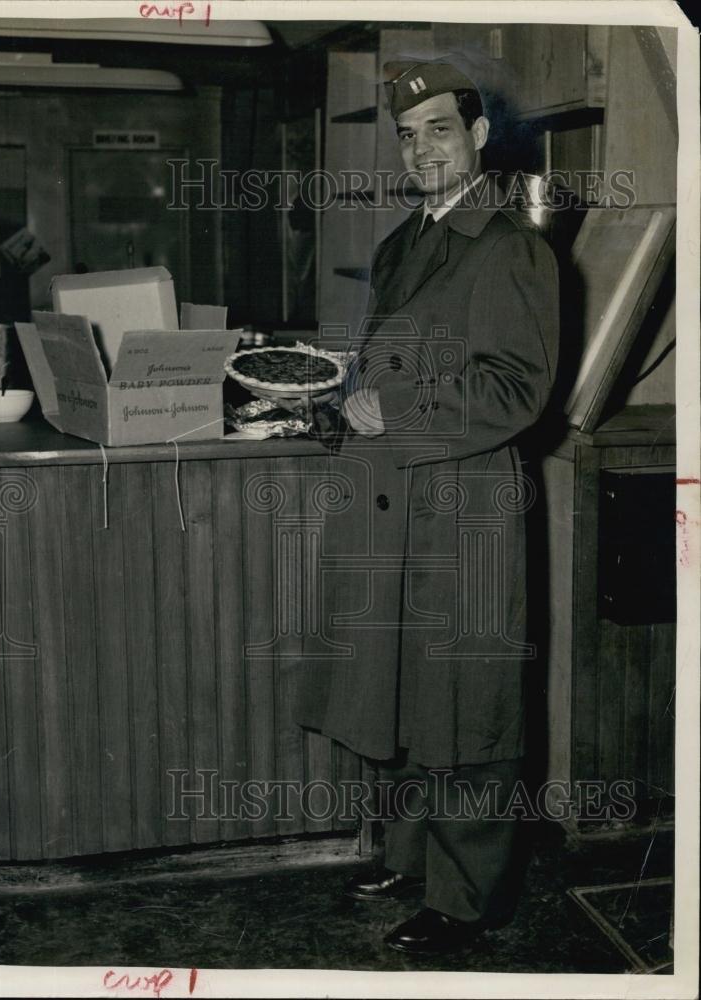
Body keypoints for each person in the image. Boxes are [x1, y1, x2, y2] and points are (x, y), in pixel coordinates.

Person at [297, 61, 559, 955]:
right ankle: (411, 859)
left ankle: (467, 896)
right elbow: (385, 364)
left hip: (465, 506)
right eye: (408, 135)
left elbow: (518, 388)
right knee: (407, 694)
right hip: (399, 500)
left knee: (468, 704)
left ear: (479, 137)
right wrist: (340, 400)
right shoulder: (407, 239)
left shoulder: (509, 244)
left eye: (440, 129)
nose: (422, 148)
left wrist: (395, 410)